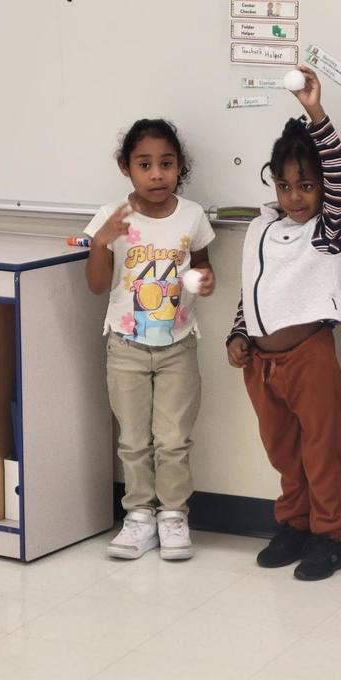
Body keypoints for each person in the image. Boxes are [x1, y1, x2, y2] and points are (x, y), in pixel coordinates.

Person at [226, 65, 341, 581]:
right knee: (284, 450)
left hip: (309, 356)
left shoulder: (327, 230)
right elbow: (252, 287)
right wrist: (239, 332)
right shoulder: (261, 227)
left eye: (306, 185)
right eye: (285, 185)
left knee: (323, 449)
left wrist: (315, 111)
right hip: (261, 362)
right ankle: (295, 524)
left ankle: (331, 535)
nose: (295, 196)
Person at [84, 118, 214, 561]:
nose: (157, 174)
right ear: (126, 168)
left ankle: (174, 516)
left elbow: (202, 268)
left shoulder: (192, 215)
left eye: (167, 164)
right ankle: (139, 516)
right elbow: (98, 286)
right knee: (133, 439)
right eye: (145, 164)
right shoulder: (110, 216)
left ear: (179, 167)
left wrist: (203, 280)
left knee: (173, 438)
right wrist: (101, 243)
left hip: (178, 345)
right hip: (125, 346)